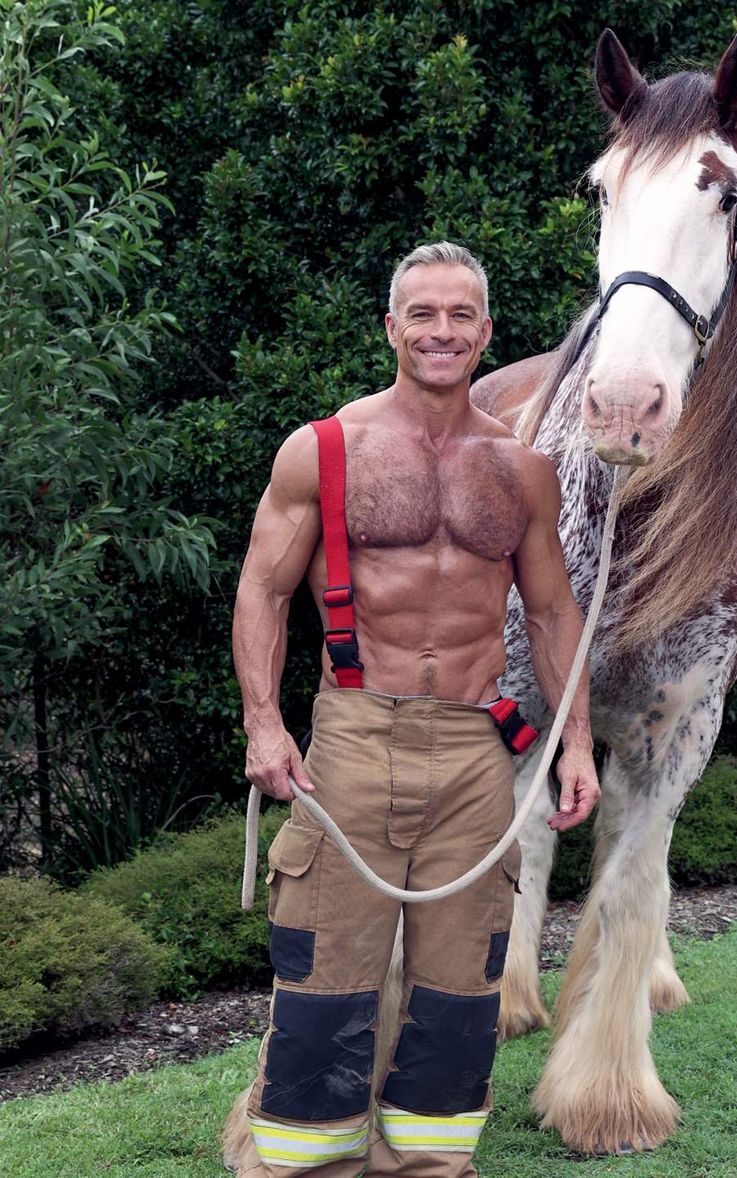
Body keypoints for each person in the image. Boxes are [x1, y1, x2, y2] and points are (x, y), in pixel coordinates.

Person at [227, 241, 600, 1178]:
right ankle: (301, 1167)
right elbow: (263, 592)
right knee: (325, 981)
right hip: (353, 739)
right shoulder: (325, 449)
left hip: (479, 749)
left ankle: (432, 1167)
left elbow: (555, 612)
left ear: (486, 331)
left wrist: (576, 746)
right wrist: (264, 724)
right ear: (391, 327)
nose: (442, 331)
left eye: (460, 315)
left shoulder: (520, 469)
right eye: (422, 314)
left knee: (461, 994)